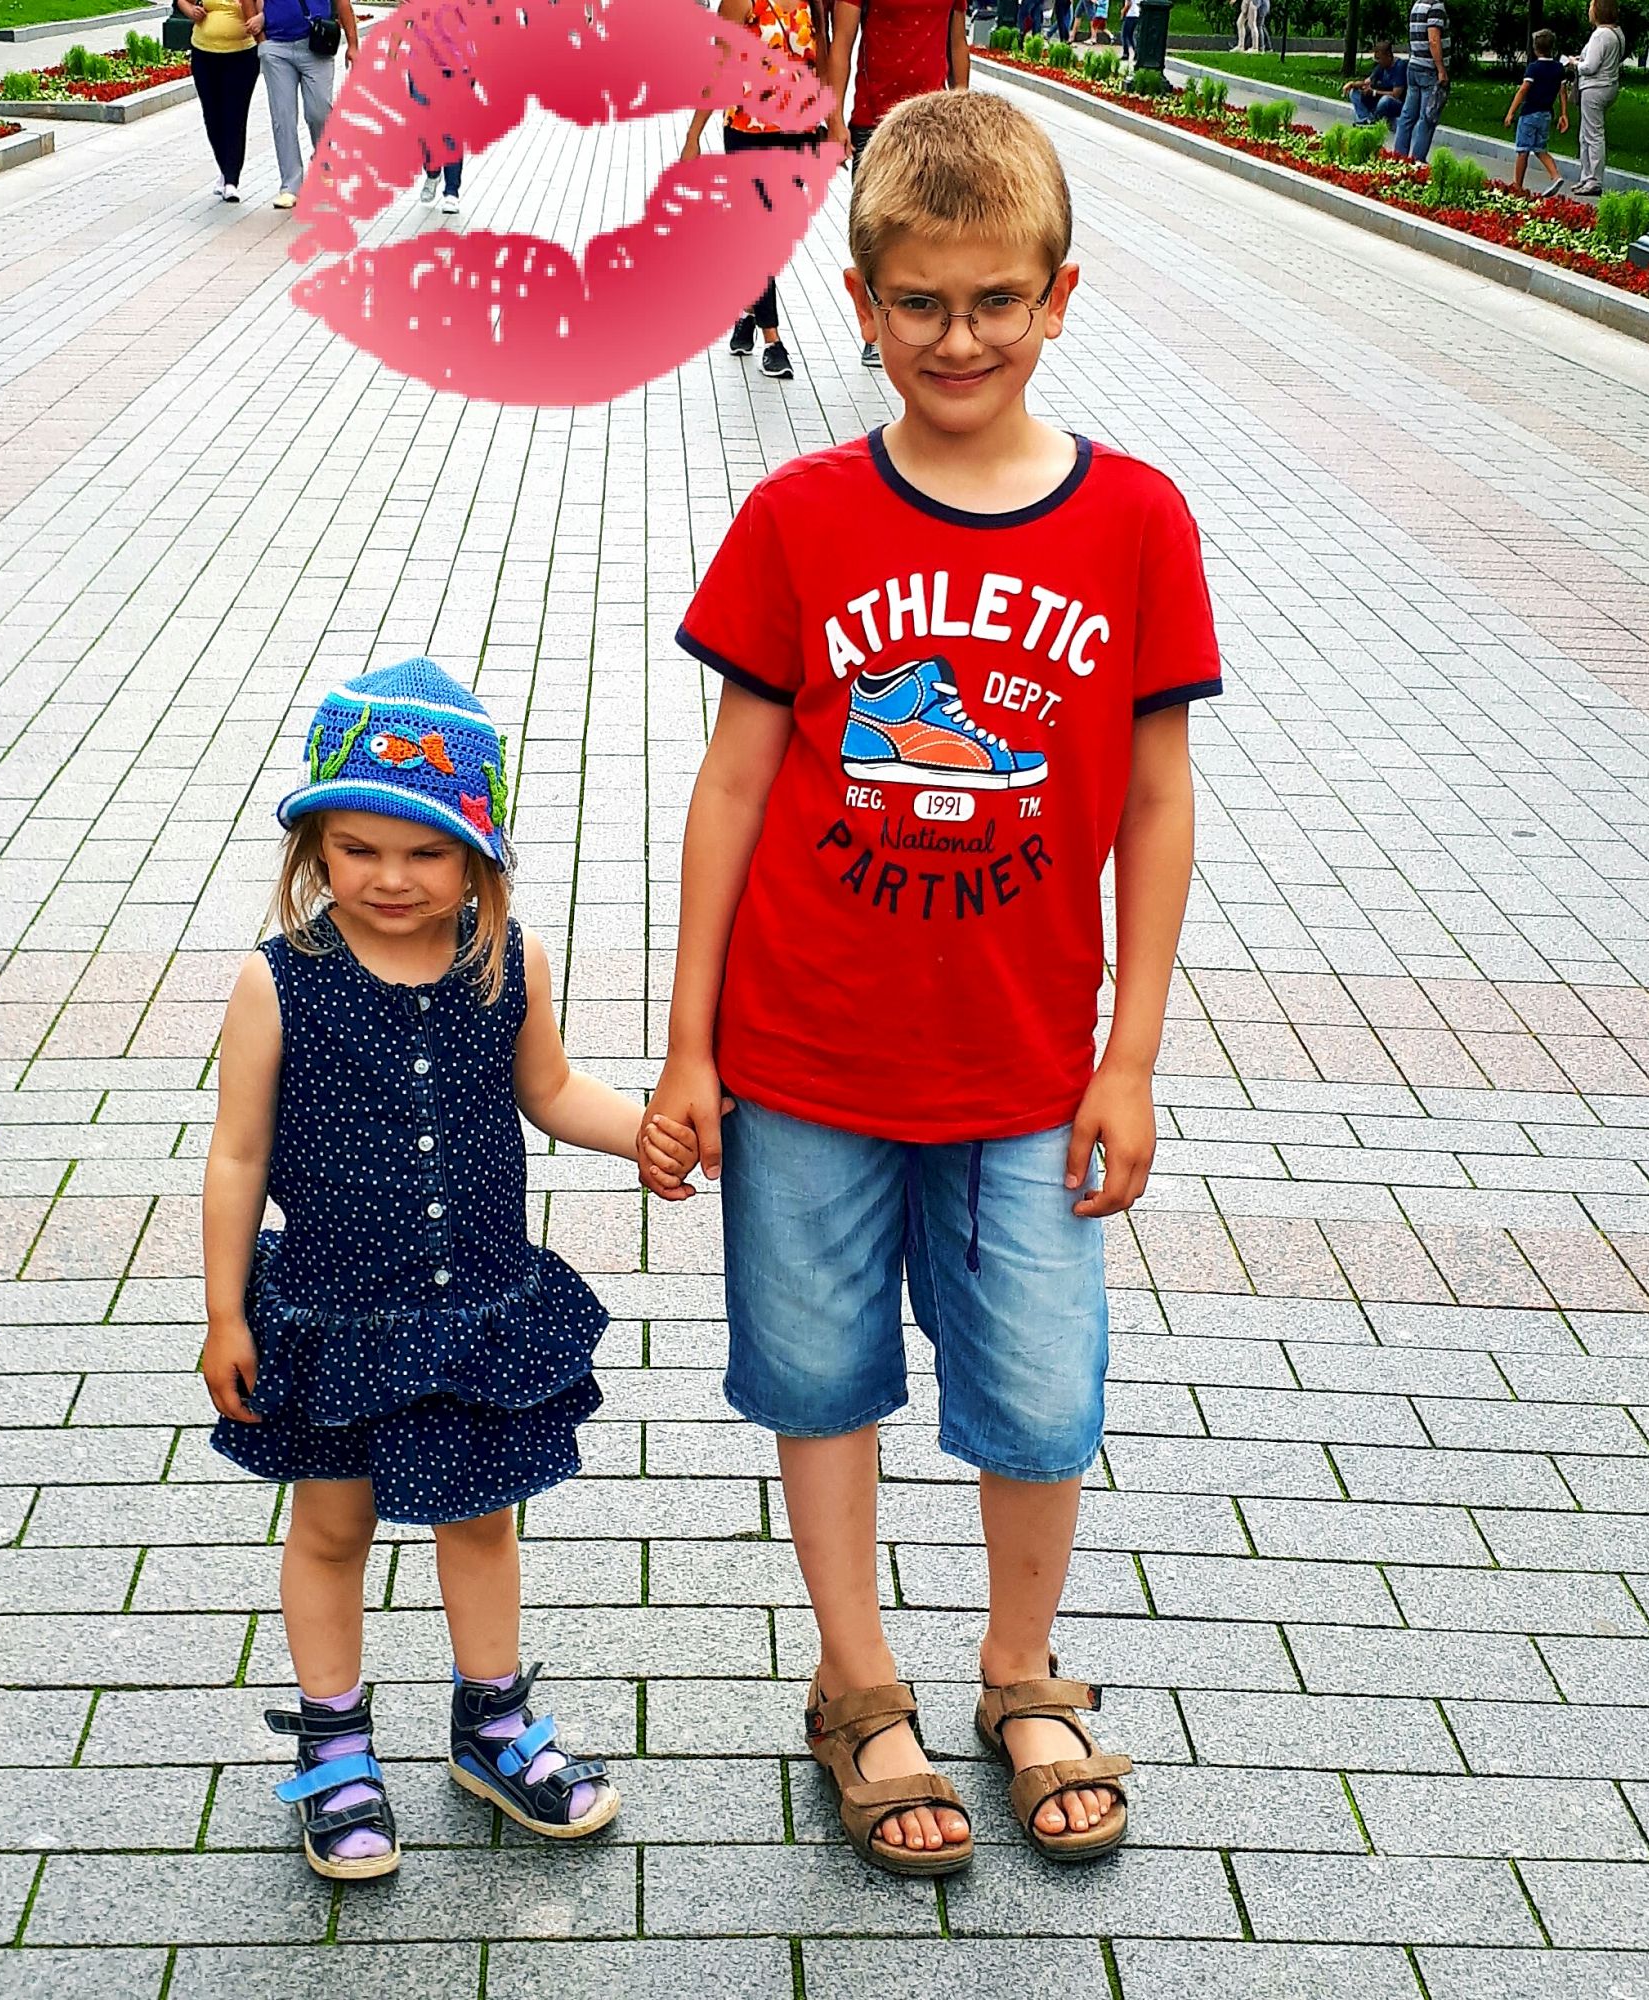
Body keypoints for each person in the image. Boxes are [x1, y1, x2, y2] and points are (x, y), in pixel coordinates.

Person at [650, 91, 1220, 1876]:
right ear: (859, 299)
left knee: (1040, 1392)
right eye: (919, 303)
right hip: (804, 1056)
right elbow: (732, 785)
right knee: (819, 1376)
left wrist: (1129, 1057)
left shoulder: (1135, 521)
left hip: (1027, 1070)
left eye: (994, 302)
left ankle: (1018, 1673)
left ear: (1058, 297)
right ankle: (857, 1685)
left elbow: (1154, 801)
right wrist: (686, 1045)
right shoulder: (798, 517)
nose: (957, 338)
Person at [200, 657, 695, 1879]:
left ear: (478, 854)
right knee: (332, 1524)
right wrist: (223, 1310)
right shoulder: (277, 979)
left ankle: (493, 1722)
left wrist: (643, 1129)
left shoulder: (505, 959)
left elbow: (551, 1088)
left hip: (474, 1309)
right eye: (357, 847)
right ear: (314, 846)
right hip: (332, 1313)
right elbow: (237, 1153)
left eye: (426, 851)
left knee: (479, 1519)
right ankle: (333, 1743)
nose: (390, 876)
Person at [682, 0, 828, 381]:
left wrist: (831, 121)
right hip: (748, 132)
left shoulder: (811, 3)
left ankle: (747, 313)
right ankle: (772, 341)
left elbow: (822, 64)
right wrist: (694, 135)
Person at [821, 0, 970, 365]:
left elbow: (957, 43)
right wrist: (834, 121)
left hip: (935, 124)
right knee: (877, 234)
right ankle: (878, 327)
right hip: (874, 124)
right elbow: (842, 44)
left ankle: (927, 322)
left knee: (934, 231)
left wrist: (963, 109)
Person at [253, 0, 358, 209]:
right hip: (276, 47)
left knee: (319, 111)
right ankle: (290, 186)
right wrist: (261, 41)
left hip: (316, 43)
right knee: (283, 117)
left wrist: (353, 45)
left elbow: (343, 3)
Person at [177, 0, 258, 202]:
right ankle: (224, 168)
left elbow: (262, 10)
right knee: (213, 116)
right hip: (204, 54)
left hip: (241, 55)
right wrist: (191, 11)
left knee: (235, 116)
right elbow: (182, 1)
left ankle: (231, 179)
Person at [1568, 0, 1625, 195]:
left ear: (1598, 11)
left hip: (1594, 88)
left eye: (1591, 7)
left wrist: (1575, 64)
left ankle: (1593, 180)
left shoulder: (1600, 34)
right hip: (1608, 86)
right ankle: (1586, 177)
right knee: (1586, 133)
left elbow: (1590, 67)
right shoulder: (1617, 33)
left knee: (1592, 135)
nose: (1589, 11)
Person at [1504, 28, 1568, 194]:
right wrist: (1563, 114)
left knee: (1523, 150)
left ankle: (1517, 186)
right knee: (1540, 149)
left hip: (1530, 113)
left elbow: (1523, 89)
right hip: (1546, 114)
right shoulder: (1558, 68)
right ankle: (1555, 175)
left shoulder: (1534, 68)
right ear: (1552, 47)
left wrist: (1511, 112)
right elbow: (1562, 92)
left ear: (1535, 49)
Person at [1392, 0, 1448, 161]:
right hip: (1429, 69)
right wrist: (1441, 69)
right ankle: (1417, 161)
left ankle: (1399, 157)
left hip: (1414, 65)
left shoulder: (1417, 5)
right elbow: (1433, 40)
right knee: (1427, 118)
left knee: (1407, 116)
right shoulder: (1435, 6)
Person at [1344, 40, 1407, 127]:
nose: (1378, 61)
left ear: (1388, 55)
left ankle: (1373, 119)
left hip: (1395, 103)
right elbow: (1366, 82)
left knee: (1385, 100)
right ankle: (1364, 119)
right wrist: (1352, 84)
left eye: (1379, 58)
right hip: (1379, 100)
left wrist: (1374, 92)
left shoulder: (1399, 67)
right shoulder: (1381, 67)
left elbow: (1396, 94)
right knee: (1354, 93)